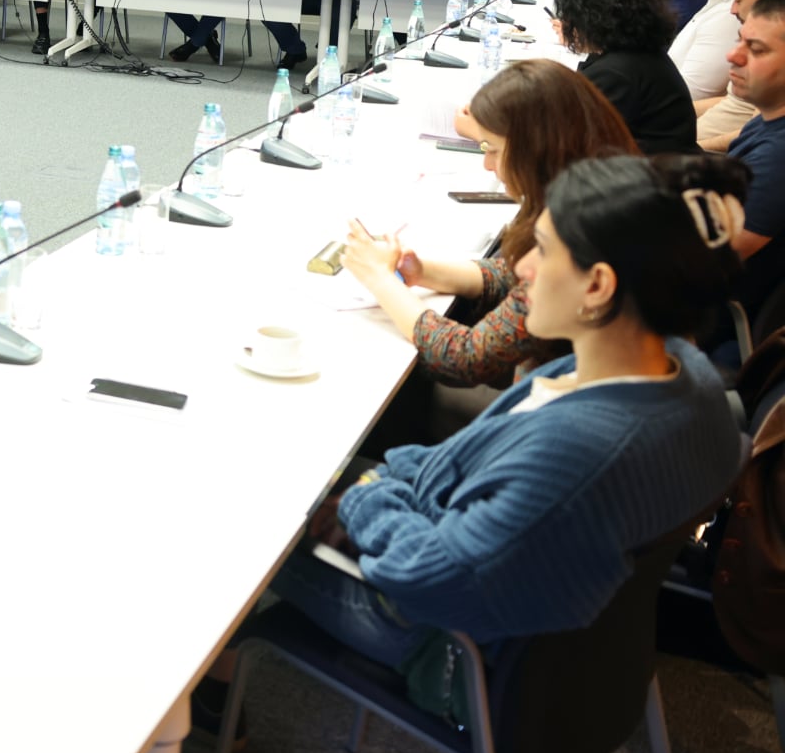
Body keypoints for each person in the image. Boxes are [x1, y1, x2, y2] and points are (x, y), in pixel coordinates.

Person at [252, 155, 745, 711]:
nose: (524, 269)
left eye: (544, 250)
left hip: (444, 647)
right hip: (545, 625)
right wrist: (391, 485)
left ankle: (210, 692)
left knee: (234, 513)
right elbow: (459, 464)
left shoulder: (579, 451)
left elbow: (429, 577)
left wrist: (368, 496)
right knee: (311, 469)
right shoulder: (677, 369)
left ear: (597, 285)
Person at [341, 60, 638, 389]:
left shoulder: (581, 228)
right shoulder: (599, 189)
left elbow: (466, 357)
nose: (487, 164)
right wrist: (422, 271)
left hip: (538, 402)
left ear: (536, 149)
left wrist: (381, 280)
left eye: (493, 150)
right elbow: (513, 276)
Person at [551, 0, 699, 155]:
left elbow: (573, 140)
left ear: (589, 19)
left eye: (569, 16)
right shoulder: (639, 52)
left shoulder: (615, 73)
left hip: (647, 169)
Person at [725, 0, 785, 340]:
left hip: (712, 323)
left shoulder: (778, 157)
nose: (733, 55)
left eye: (757, 50)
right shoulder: (766, 120)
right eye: (740, 41)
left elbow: (705, 259)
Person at [697, 0, 785, 151]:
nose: (732, 9)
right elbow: (735, 104)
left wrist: (690, 150)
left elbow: (759, 134)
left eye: (738, 0)